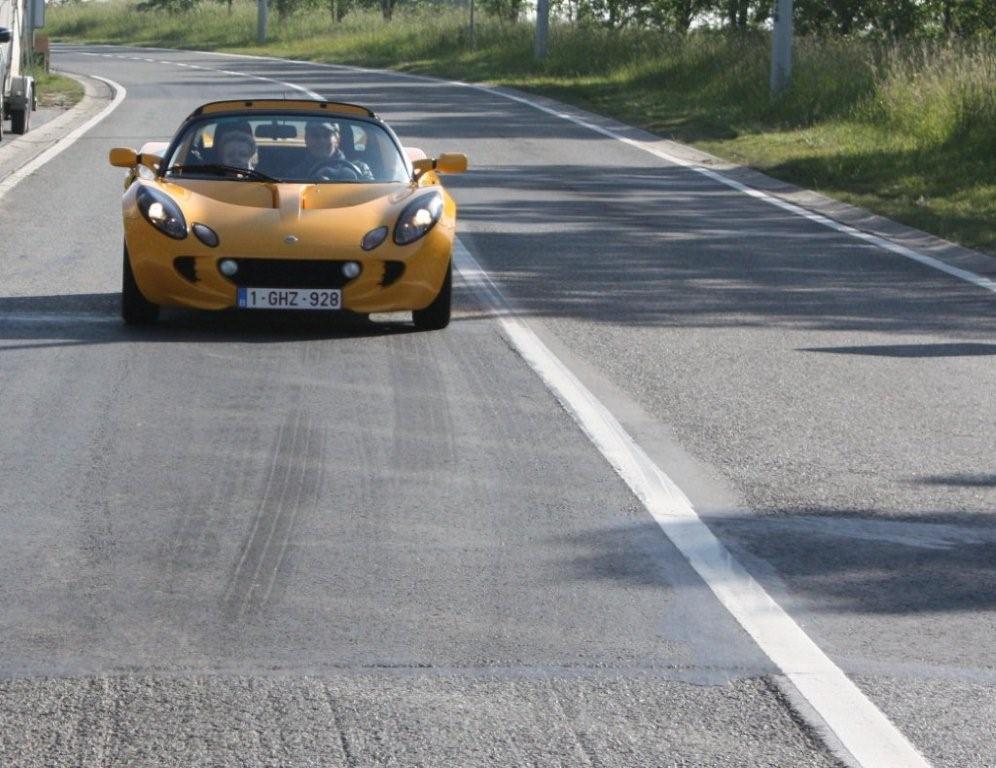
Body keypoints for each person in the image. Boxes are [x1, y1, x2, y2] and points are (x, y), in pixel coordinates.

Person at [290, 120, 372, 181]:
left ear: (337, 139)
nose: (321, 141)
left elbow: (375, 195)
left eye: (326, 135)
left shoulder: (360, 169)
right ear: (306, 140)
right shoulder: (296, 174)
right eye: (315, 136)